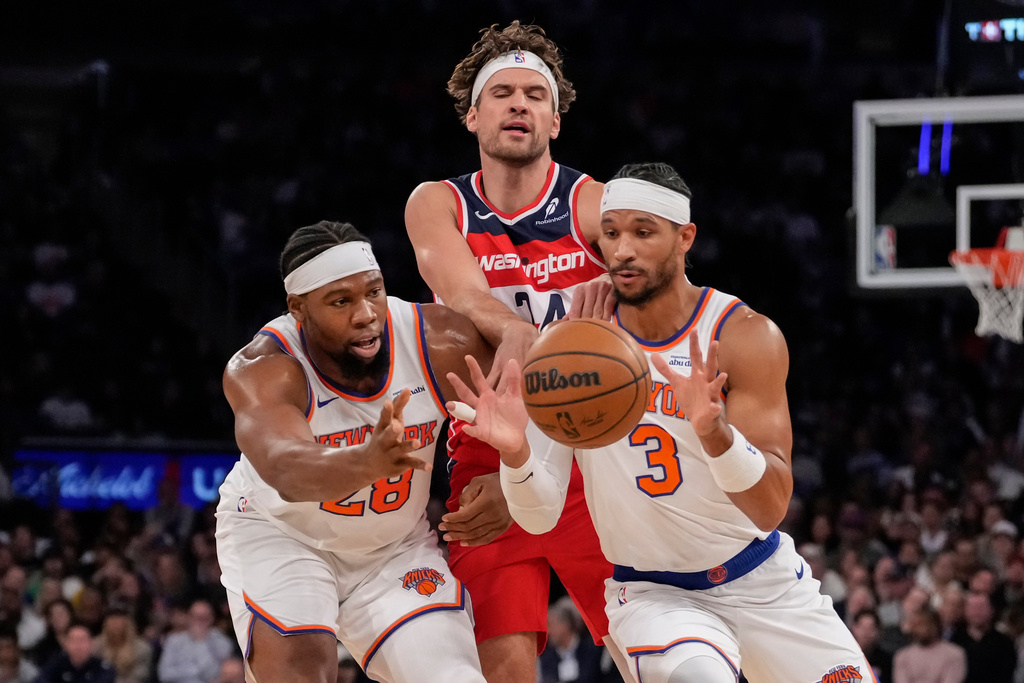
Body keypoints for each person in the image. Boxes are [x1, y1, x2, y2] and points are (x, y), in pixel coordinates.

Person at [449, 162, 877, 683]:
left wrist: (715, 435)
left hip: (763, 580)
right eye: (610, 234)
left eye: (642, 232)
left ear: (684, 237)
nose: (622, 250)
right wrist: (517, 455)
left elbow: (770, 507)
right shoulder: (572, 346)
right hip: (655, 596)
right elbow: (540, 516)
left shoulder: (743, 337)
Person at [404, 21, 624, 683]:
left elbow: (649, 293)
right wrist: (528, 337)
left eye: (535, 94)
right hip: (486, 447)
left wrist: (535, 475)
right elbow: (462, 293)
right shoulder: (437, 202)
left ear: (556, 120)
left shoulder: (594, 204)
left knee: (652, 647)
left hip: (590, 449)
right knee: (503, 667)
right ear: (472, 114)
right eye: (502, 92)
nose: (519, 103)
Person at [214, 221, 492, 683]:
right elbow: (285, 468)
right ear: (298, 309)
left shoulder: (439, 340)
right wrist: (366, 462)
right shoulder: (264, 367)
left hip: (392, 548)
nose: (366, 314)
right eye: (341, 301)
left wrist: (509, 477)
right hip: (283, 534)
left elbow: (518, 406)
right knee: (303, 674)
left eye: (374, 292)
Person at [156, 598, 233, 683]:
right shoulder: (174, 641)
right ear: (188, 618)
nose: (199, 623)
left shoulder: (220, 640)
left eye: (204, 618)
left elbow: (218, 671)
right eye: (196, 618)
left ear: (212, 619)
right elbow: (164, 674)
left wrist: (201, 642)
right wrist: (194, 670)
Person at [893, 607, 966, 683]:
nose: (915, 629)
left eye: (920, 624)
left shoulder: (954, 654)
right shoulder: (902, 656)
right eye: (913, 624)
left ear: (934, 626)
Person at [36, 622, 115, 683]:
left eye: (82, 640)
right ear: (66, 644)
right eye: (73, 641)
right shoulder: (55, 664)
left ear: (91, 643)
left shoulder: (102, 668)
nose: (78, 646)